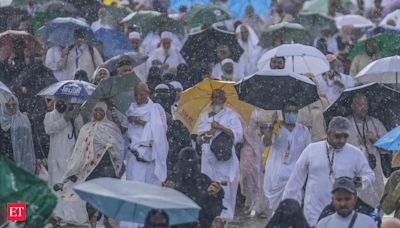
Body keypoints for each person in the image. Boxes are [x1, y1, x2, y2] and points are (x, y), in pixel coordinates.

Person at [282, 116, 375, 226]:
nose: (342, 140)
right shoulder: (311, 150)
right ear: (328, 133)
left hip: (341, 212)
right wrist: (287, 206)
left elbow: (370, 175)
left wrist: (362, 180)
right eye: (338, 136)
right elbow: (295, 181)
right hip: (314, 212)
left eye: (345, 136)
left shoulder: (355, 153)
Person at [52, 102, 123, 227]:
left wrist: (109, 146)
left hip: (108, 166)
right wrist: (74, 169)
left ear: (105, 112)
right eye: (96, 110)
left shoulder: (112, 127)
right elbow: (80, 150)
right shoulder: (86, 128)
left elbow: (119, 146)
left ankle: (106, 218)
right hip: (92, 168)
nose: (98, 113)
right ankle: (93, 222)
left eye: (101, 111)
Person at [196, 89, 243, 222]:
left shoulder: (232, 116)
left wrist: (221, 128)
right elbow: (199, 140)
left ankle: (224, 220)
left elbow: (238, 136)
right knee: (210, 189)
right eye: (214, 97)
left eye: (219, 97)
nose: (216, 99)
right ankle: (211, 219)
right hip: (209, 160)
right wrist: (211, 131)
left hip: (226, 160)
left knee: (226, 192)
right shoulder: (205, 116)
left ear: (224, 100)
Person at [263, 100, 311, 211]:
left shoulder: (304, 131)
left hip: (295, 175)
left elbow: (308, 153)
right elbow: (266, 143)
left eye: (294, 111)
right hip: (277, 176)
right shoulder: (276, 128)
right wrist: (271, 125)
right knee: (277, 210)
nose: (291, 114)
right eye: (288, 111)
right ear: (283, 113)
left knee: (294, 208)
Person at [164, 148, 224, 228]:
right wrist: (166, 193)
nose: (189, 168)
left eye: (192, 164)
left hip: (200, 221)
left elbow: (214, 210)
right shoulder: (174, 179)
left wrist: (217, 194)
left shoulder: (204, 180)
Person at [122, 82, 168, 185]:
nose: (138, 97)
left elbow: (161, 130)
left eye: (141, 94)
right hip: (134, 154)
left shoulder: (156, 108)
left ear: (148, 93)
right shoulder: (130, 109)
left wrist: (139, 121)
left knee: (150, 190)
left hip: (151, 153)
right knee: (134, 188)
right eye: (136, 95)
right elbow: (122, 129)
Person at [346, 93, 387, 208]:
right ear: (352, 106)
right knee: (355, 202)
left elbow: (387, 149)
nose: (363, 107)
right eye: (360, 104)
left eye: (365, 104)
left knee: (376, 205)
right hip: (354, 172)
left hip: (374, 171)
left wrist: (375, 140)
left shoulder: (375, 123)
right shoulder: (345, 124)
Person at [240, 108, 274, 217]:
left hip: (263, 148)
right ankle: (251, 202)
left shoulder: (270, 109)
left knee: (261, 177)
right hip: (249, 147)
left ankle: (259, 206)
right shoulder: (246, 109)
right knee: (249, 175)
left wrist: (266, 125)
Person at [44, 99, 84, 188]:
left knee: (70, 190)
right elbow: (49, 129)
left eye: (64, 100)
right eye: (59, 100)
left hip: (71, 157)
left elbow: (81, 129)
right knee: (56, 188)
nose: (61, 103)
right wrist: (65, 118)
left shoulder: (73, 114)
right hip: (55, 159)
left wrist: (76, 114)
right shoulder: (49, 115)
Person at [0, 95, 36, 173]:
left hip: (24, 159)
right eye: (8, 105)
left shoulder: (24, 119)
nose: (11, 107)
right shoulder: (2, 121)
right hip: (6, 159)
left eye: (14, 104)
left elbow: (32, 140)